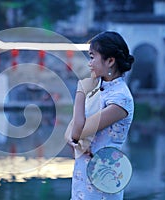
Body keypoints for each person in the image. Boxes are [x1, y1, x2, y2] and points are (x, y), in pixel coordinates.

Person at [65, 31, 135, 199]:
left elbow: (77, 132)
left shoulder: (120, 99)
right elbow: (71, 130)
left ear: (110, 61)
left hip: (103, 182)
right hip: (83, 178)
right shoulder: (98, 89)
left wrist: (81, 91)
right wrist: (72, 137)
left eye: (92, 57)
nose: (89, 63)